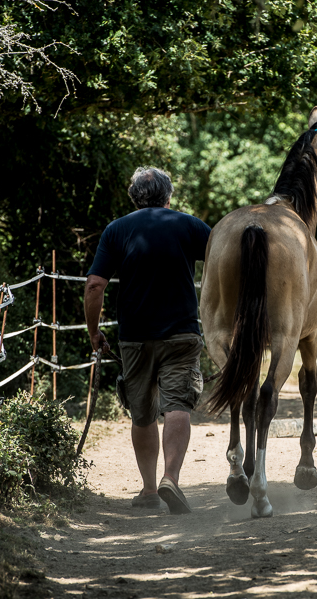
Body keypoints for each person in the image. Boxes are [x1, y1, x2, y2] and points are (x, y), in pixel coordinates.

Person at [85, 166, 211, 515]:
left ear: (134, 198)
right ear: (169, 196)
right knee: (177, 404)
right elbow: (224, 262)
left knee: (142, 412)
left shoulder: (117, 230)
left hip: (135, 338)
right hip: (182, 334)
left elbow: (95, 285)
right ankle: (172, 478)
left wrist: (94, 332)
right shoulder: (190, 225)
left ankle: (150, 489)